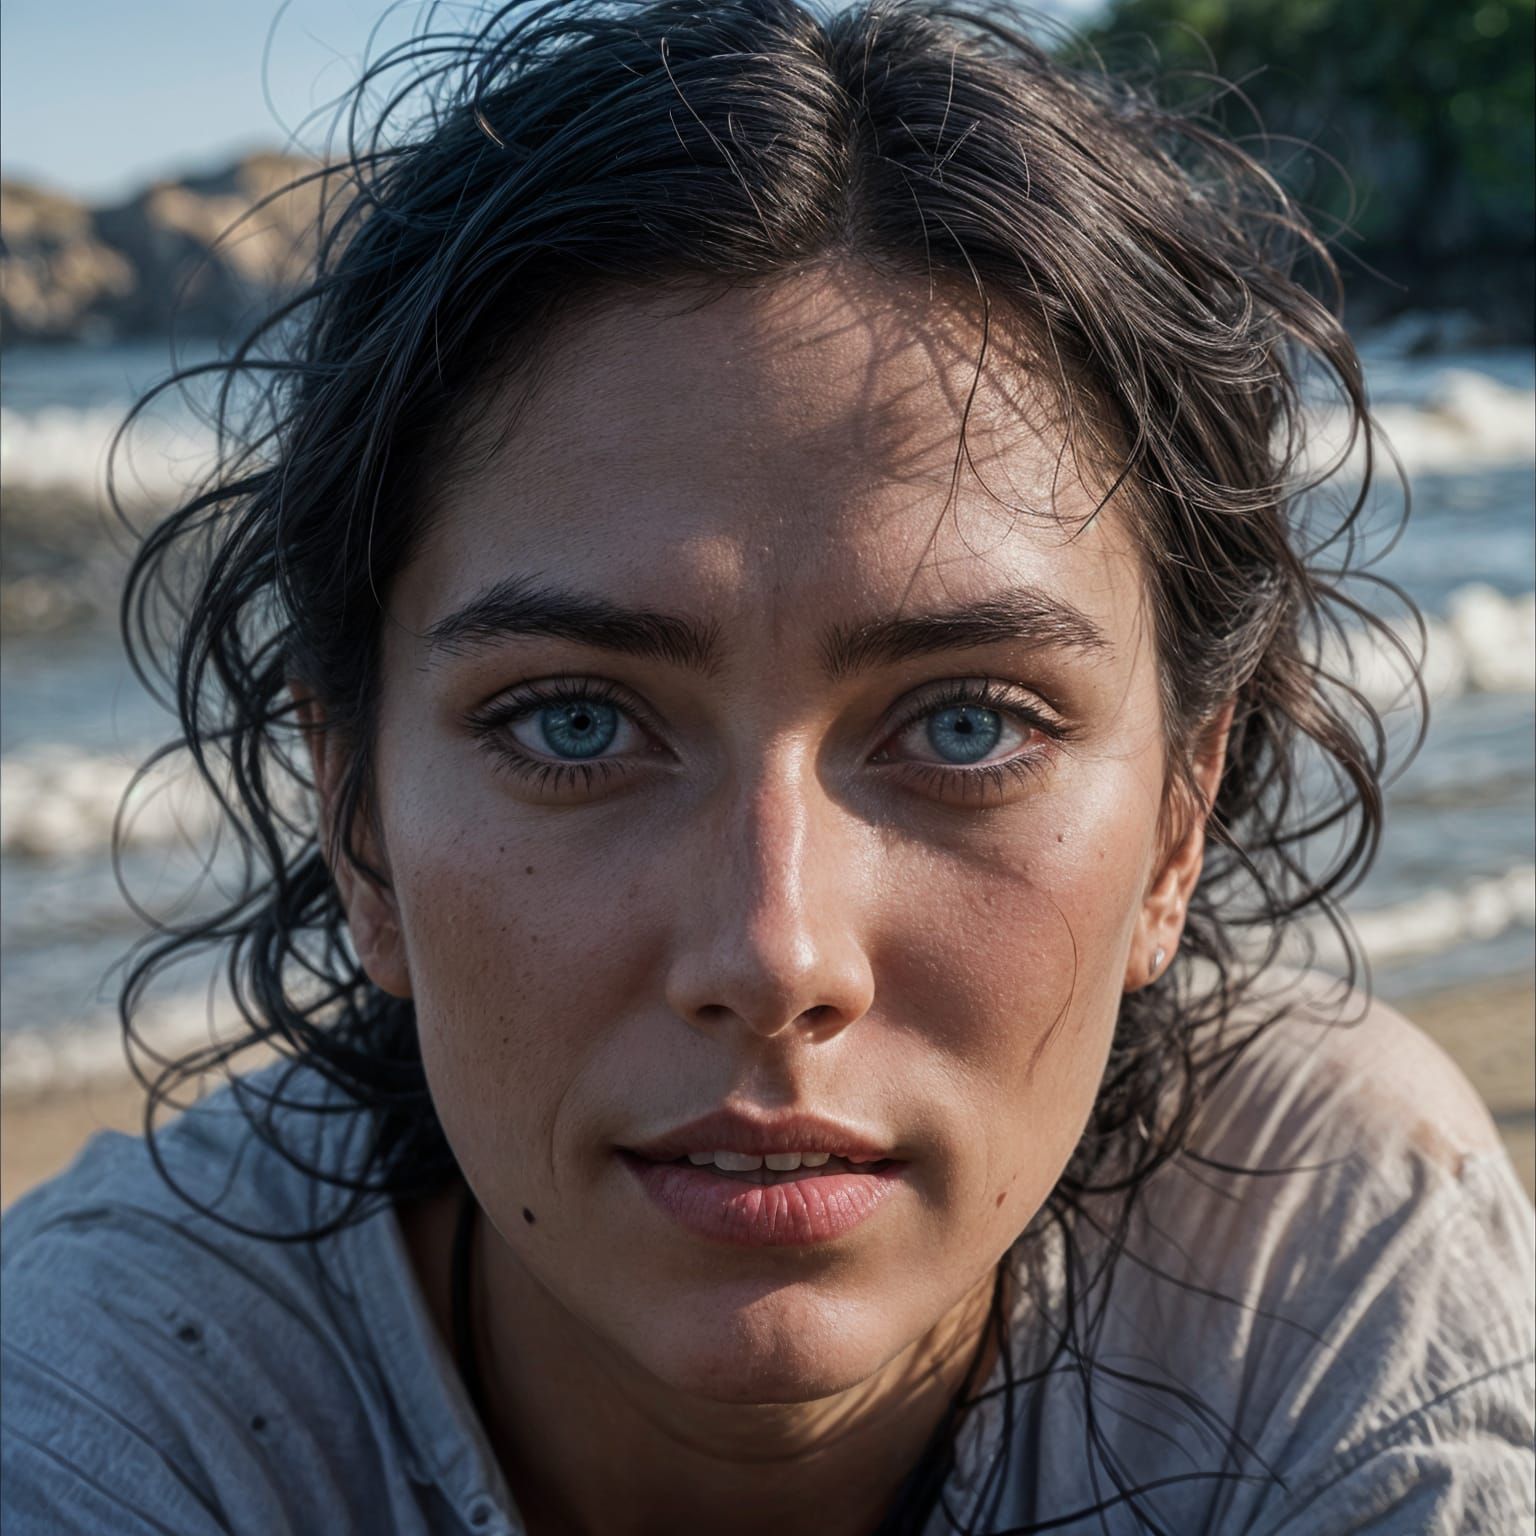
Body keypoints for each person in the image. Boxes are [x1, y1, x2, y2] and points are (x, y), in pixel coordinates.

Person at [3, 1, 1532, 1531]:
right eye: (573, 722)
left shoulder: (1311, 1262)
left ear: (1179, 824)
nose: (773, 953)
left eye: (968, 724)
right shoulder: (112, 1415)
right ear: (358, 822)